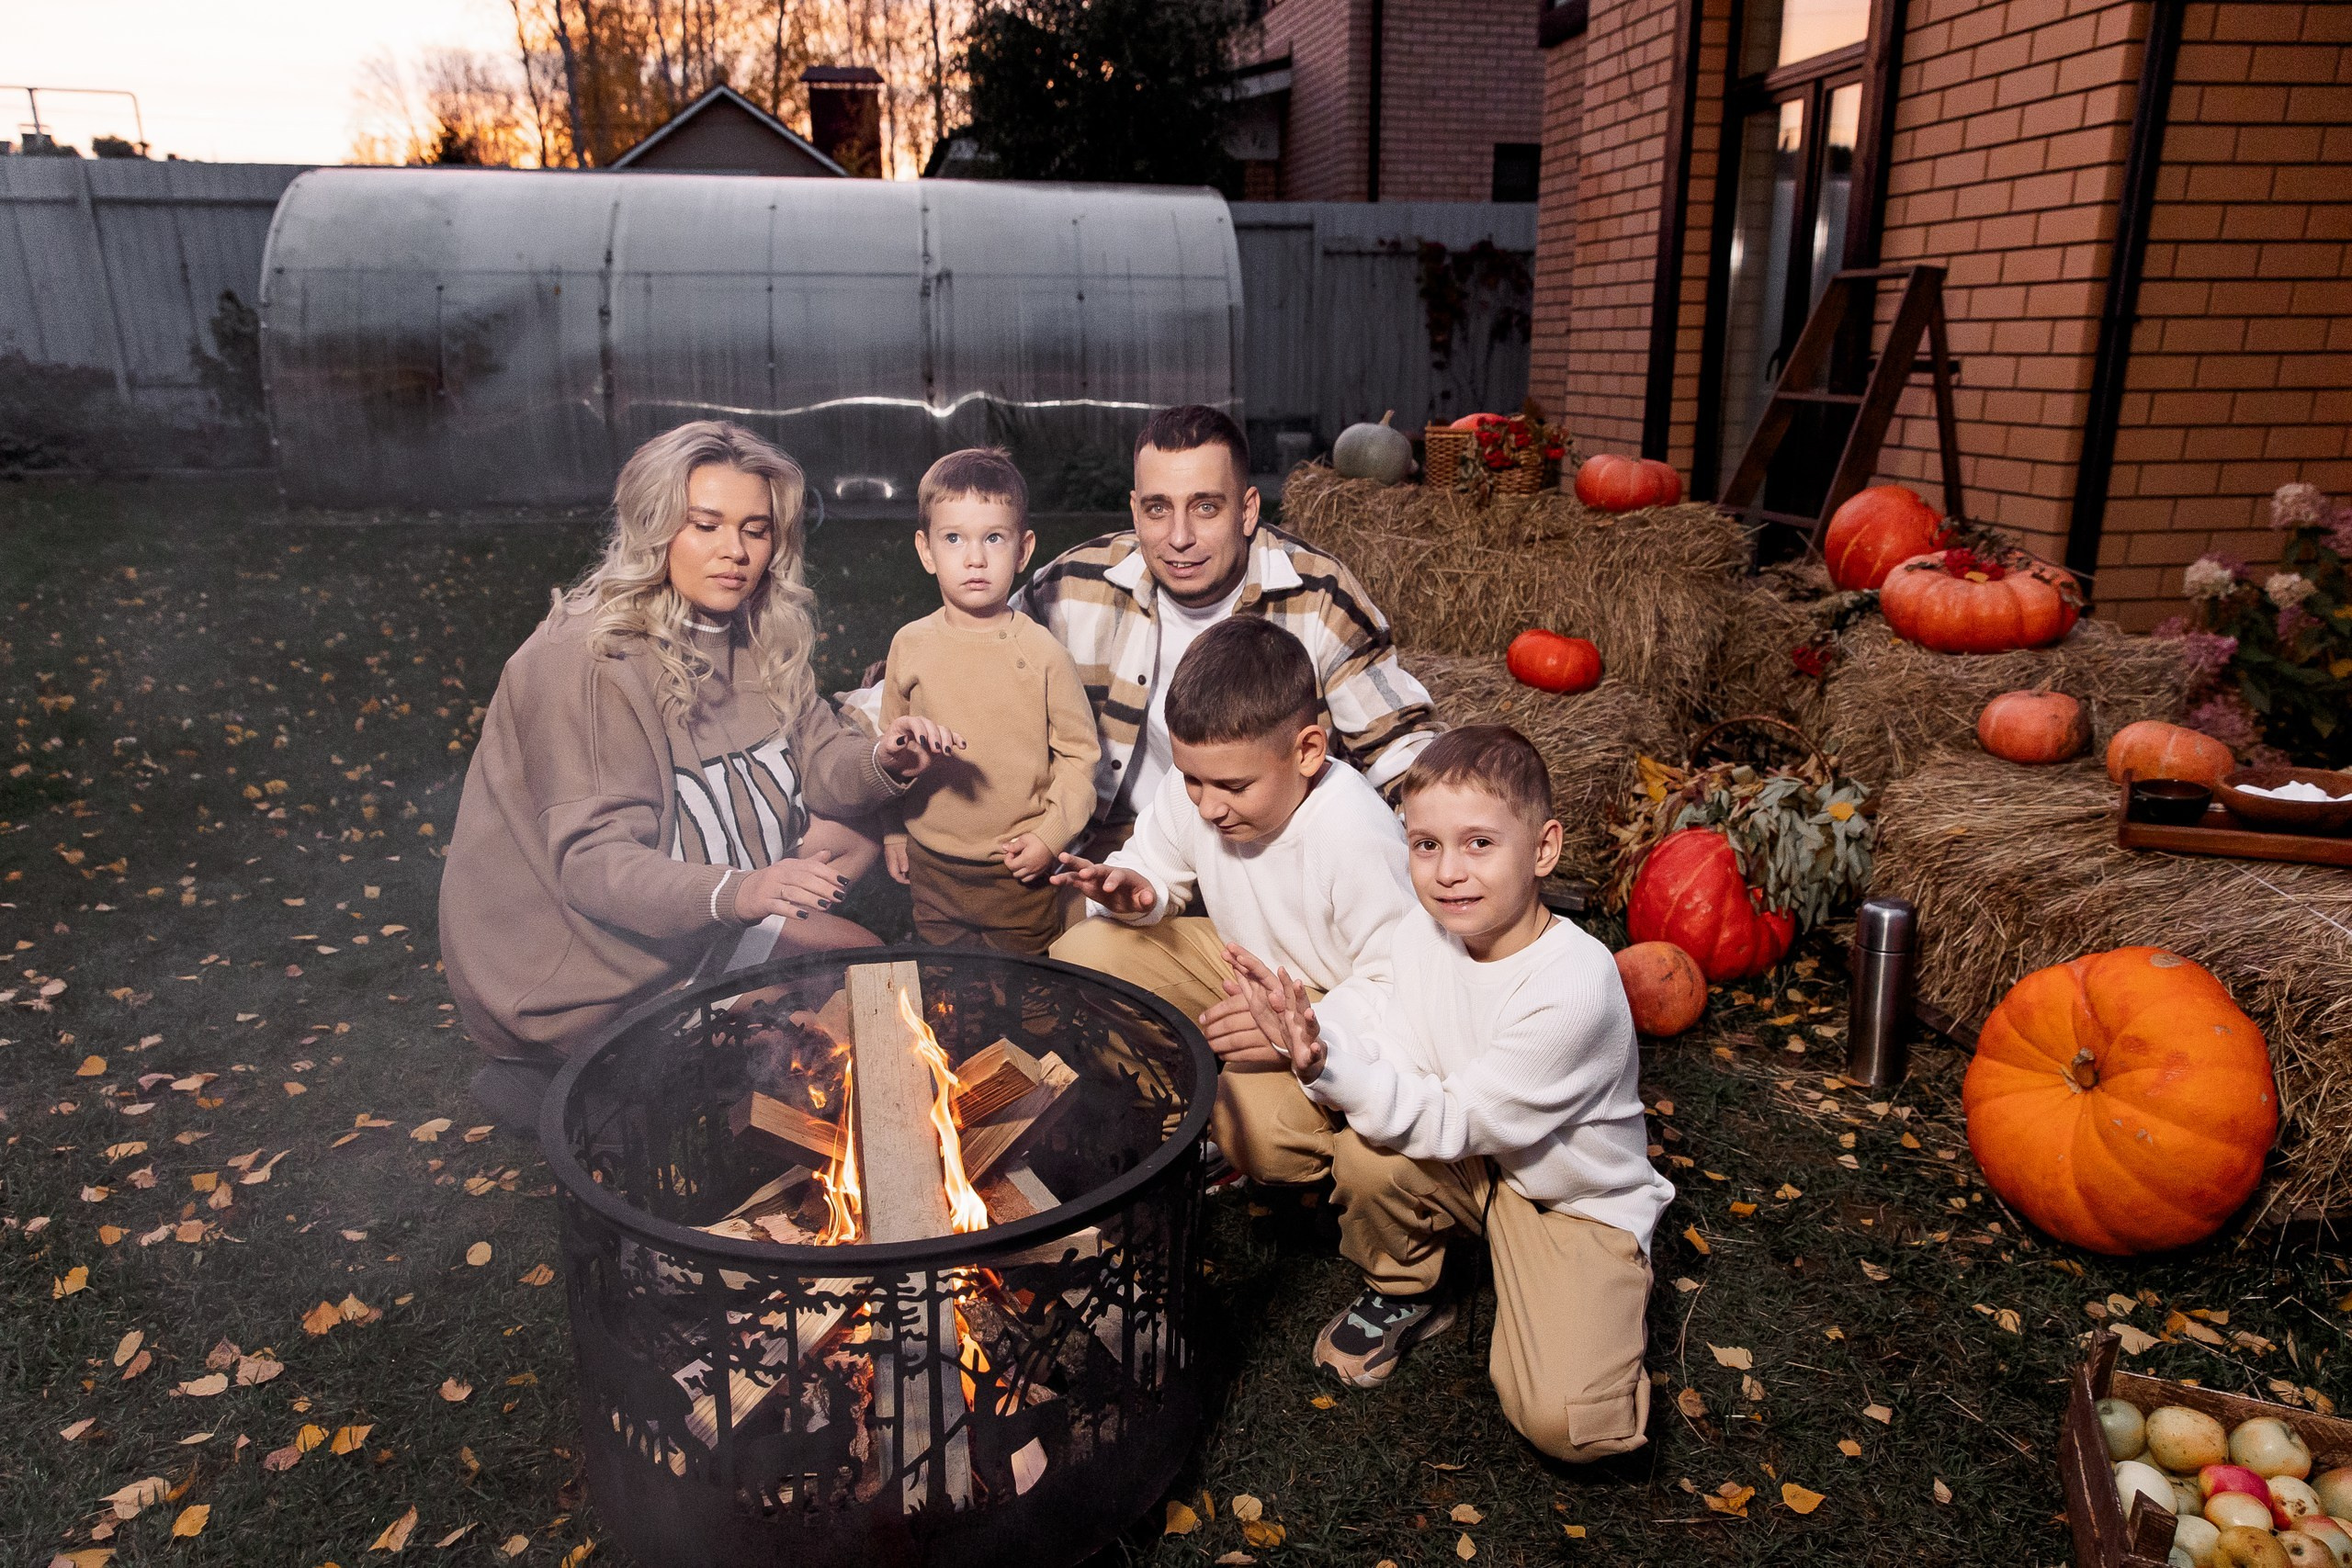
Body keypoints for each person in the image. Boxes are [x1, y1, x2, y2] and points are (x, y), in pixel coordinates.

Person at [441, 421, 962, 1122]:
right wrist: (748, 890)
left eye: (755, 528)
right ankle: (558, 1073)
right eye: (706, 525)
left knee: (877, 977)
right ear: (654, 528)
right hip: (588, 972)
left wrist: (885, 759)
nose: (735, 552)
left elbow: (824, 764)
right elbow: (594, 869)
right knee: (800, 1085)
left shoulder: (753, 626)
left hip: (694, 929)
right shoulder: (584, 660)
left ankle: (646, 1069)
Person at [1227, 726, 1673, 1462]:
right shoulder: (1421, 932)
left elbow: (1452, 1116)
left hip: (1567, 1200)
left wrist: (1331, 1072)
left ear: (1544, 848)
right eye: (1425, 844)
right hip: (1476, 1164)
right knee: (1369, 1151)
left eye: (1478, 843)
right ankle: (1407, 1287)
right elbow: (1388, 1031)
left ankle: (1595, 1294)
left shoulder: (1576, 985)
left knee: (1567, 1422)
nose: (1448, 871)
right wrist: (1313, 1036)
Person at [845, 404, 1439, 856]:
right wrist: (846, 742)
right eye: (1158, 508)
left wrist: (1458, 834)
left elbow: (1398, 746)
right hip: (1114, 842)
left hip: (1265, 854)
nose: (1178, 536)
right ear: (1134, 510)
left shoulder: (1317, 597)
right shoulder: (1076, 585)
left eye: (1206, 507)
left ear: (1249, 510)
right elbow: (958, 654)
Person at [1048, 616, 1416, 1183]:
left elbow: (1404, 987)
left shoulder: (1354, 834)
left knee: (1260, 1130)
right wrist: (1136, 891)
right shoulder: (1201, 782)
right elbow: (1155, 862)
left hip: (1335, 1006)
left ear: (1308, 751)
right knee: (1085, 954)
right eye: (1193, 780)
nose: (1208, 807)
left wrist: (1295, 1029)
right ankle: (1180, 1112)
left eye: (1233, 788)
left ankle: (1323, 1159)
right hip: (1243, 965)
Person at [880, 449, 1100, 953]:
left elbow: (1079, 758)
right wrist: (893, 833)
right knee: (946, 988)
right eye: (953, 538)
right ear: (926, 550)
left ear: (1023, 551)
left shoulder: (1044, 654)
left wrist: (1050, 836)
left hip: (1015, 867)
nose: (974, 558)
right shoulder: (909, 645)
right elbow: (888, 751)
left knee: (1030, 988)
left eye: (993, 539)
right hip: (931, 862)